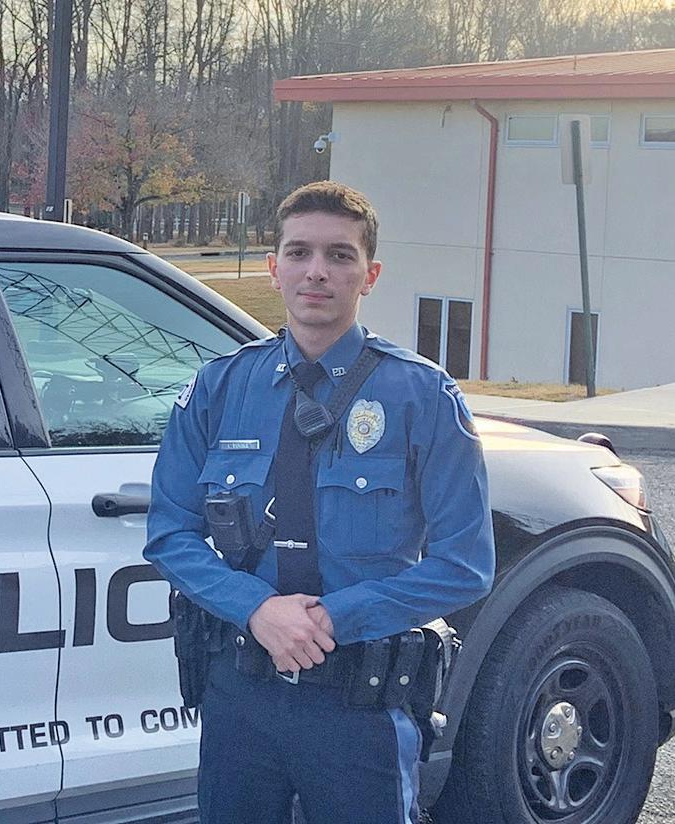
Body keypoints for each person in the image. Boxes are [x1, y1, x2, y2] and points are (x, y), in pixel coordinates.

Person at [144, 181, 494, 824]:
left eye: (340, 255)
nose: (317, 272)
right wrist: (256, 609)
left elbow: (464, 566)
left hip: (358, 705)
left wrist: (333, 619)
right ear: (274, 267)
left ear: (370, 275)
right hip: (240, 697)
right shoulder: (221, 387)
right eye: (299, 252)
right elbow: (170, 532)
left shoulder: (421, 396)